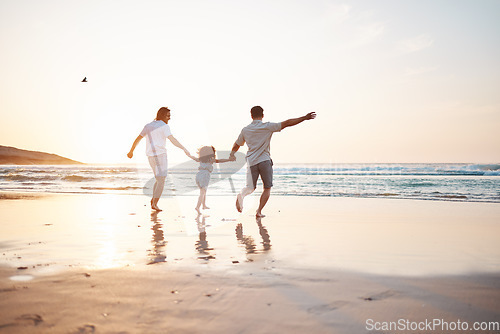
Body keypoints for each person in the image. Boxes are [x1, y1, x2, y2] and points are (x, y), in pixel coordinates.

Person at [229, 106, 316, 217]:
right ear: (263, 115)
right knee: (267, 188)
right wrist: (304, 117)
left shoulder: (245, 130)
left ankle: (241, 195)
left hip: (251, 162)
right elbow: (287, 123)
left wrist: (232, 155)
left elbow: (237, 144)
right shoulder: (267, 126)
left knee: (250, 187)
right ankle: (259, 211)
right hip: (264, 161)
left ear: (251, 115)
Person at [127, 107, 191, 211]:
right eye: (168, 116)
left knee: (159, 179)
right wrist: (183, 148)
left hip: (150, 156)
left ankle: (153, 201)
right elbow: (172, 139)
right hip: (160, 155)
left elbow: (138, 139)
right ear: (162, 115)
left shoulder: (148, 126)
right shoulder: (164, 126)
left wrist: (131, 151)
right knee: (161, 180)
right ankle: (155, 203)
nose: (169, 118)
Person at [189, 146, 233, 213]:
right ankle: (197, 207)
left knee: (204, 191)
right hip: (205, 176)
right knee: (202, 192)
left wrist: (188, 154)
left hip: (198, 175)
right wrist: (229, 160)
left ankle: (203, 205)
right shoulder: (211, 159)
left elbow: (194, 158)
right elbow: (220, 161)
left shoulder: (200, 159)